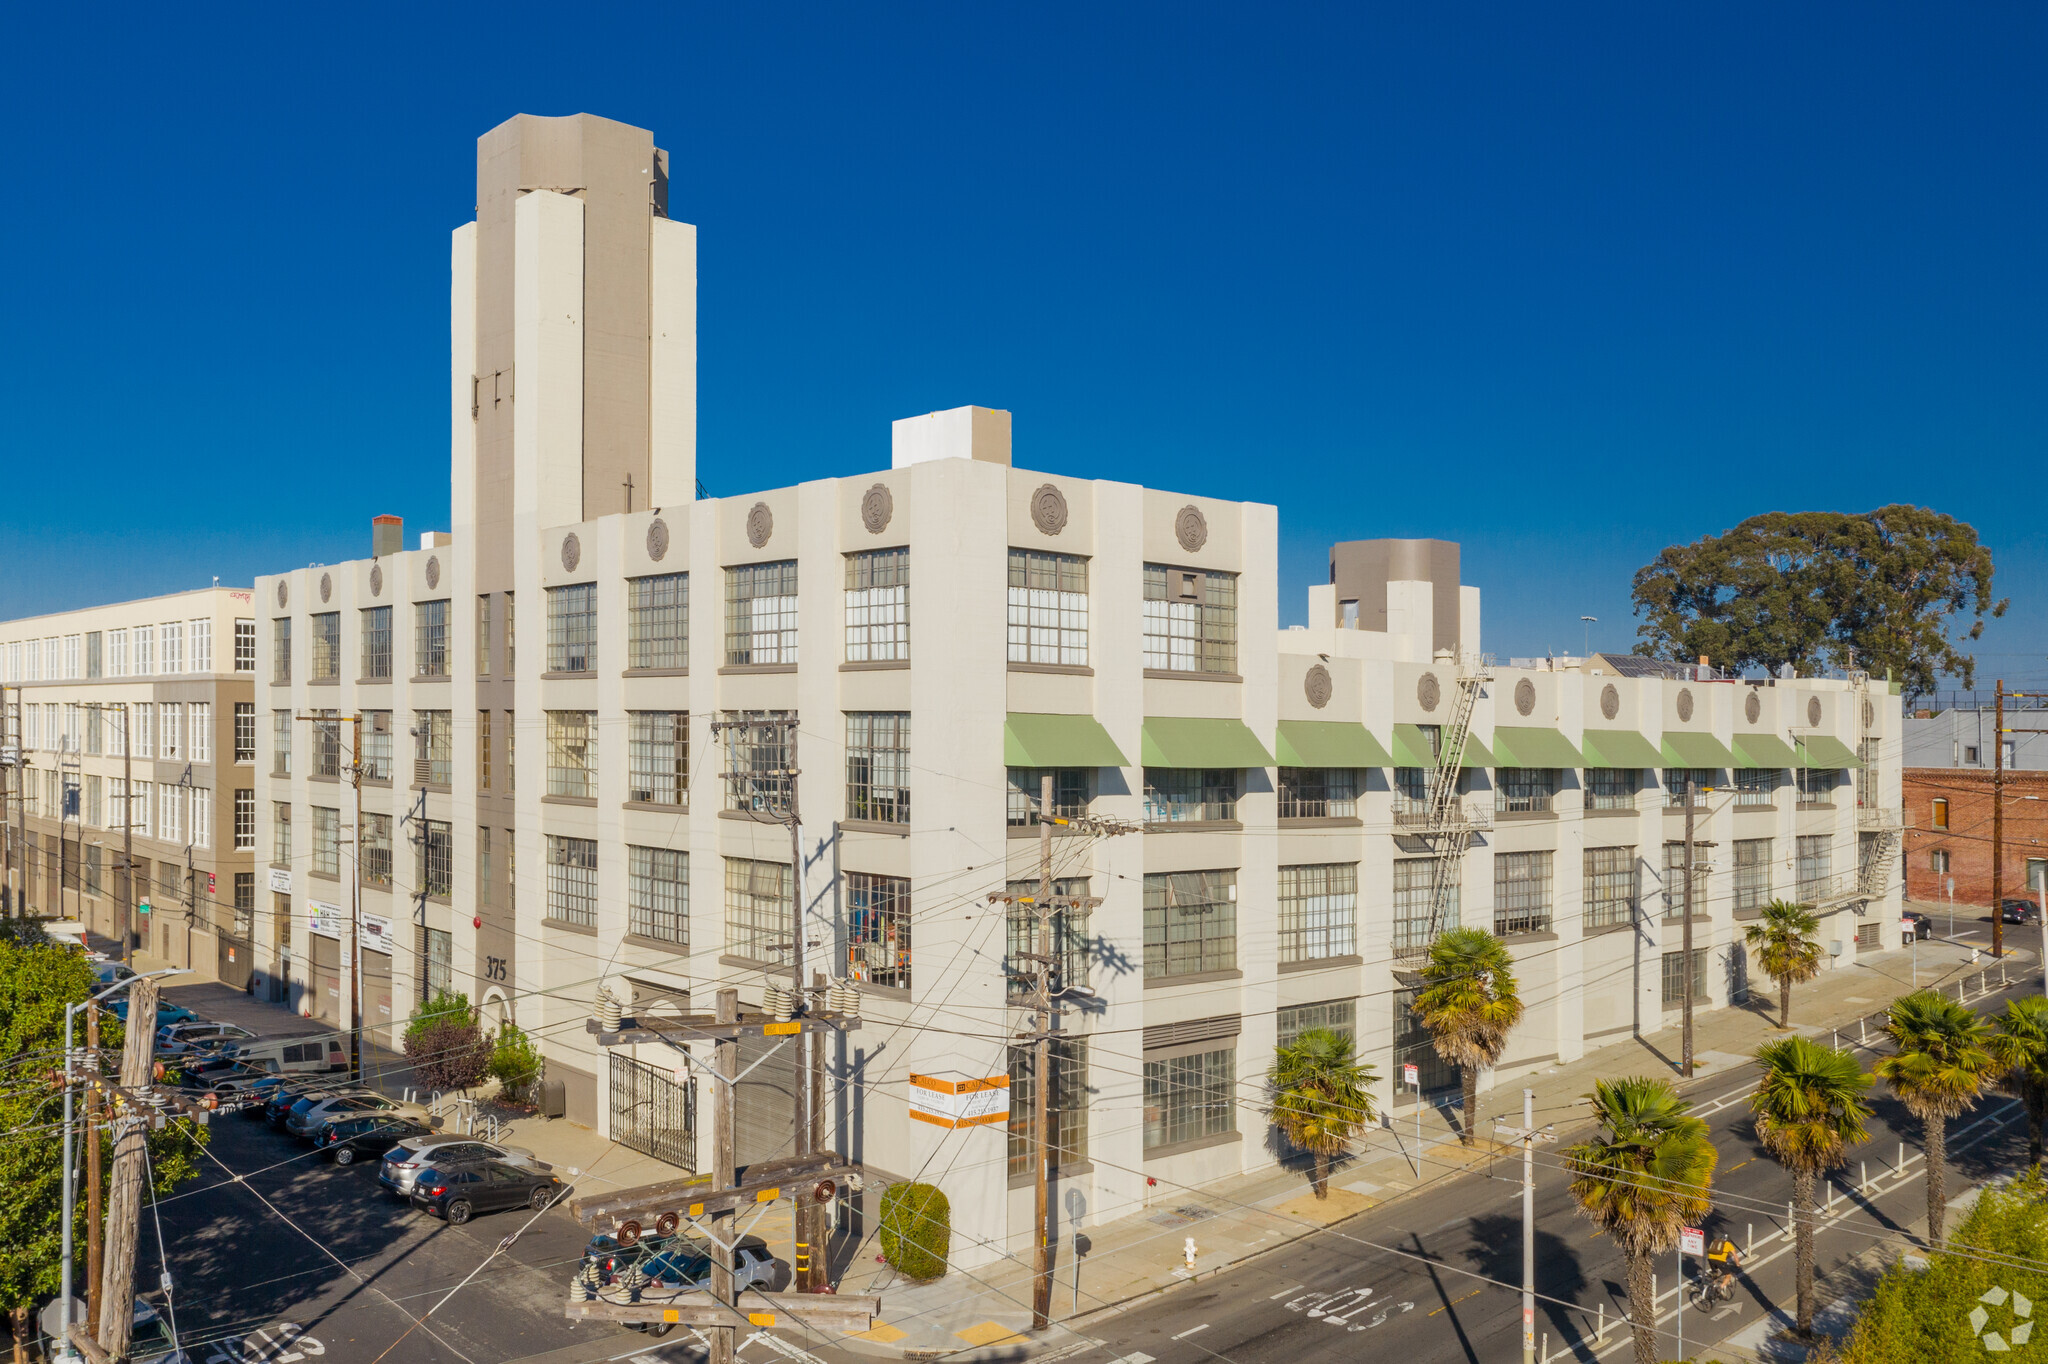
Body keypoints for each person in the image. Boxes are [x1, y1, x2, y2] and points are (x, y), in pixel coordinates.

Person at [1704, 1235, 1743, 1302]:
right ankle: (1720, 1287)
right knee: (1728, 1275)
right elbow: (1735, 1256)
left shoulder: (1715, 1242)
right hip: (1720, 1262)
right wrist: (1738, 1264)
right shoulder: (1728, 1244)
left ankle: (1713, 1285)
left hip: (1710, 1259)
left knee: (1715, 1273)